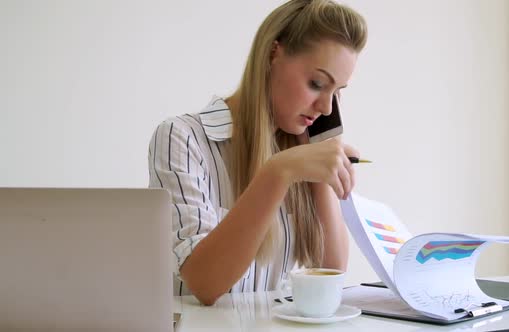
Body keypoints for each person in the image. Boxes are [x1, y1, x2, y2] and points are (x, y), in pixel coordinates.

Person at [148, 0, 367, 305]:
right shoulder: (183, 138)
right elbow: (205, 283)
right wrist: (277, 172)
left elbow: (331, 276)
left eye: (337, 92)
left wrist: (321, 156)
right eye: (317, 83)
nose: (327, 108)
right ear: (272, 54)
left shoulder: (301, 151)